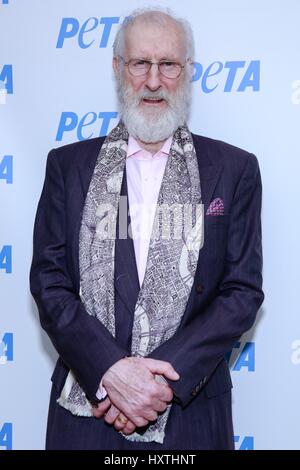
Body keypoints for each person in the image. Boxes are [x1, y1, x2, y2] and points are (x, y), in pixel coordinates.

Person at [30, 8, 264, 450]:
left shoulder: (233, 170)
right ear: (118, 68)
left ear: (188, 71)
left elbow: (241, 292)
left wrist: (157, 382)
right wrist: (110, 370)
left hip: (189, 414)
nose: (153, 81)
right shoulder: (68, 166)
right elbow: (49, 282)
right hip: (88, 414)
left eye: (168, 64)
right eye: (140, 63)